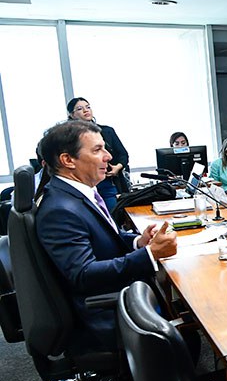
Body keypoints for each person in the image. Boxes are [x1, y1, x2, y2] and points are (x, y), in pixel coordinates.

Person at [36, 120, 177, 350]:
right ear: (68, 160)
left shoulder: (76, 193)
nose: (108, 156)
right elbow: (83, 273)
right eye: (97, 150)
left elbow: (105, 236)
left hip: (121, 293)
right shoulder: (60, 209)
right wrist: (150, 254)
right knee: (188, 335)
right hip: (105, 313)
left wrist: (138, 242)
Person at [67, 97, 129, 211]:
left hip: (107, 182)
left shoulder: (106, 131)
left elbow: (123, 155)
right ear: (72, 115)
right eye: (80, 109)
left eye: (88, 107)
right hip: (84, 184)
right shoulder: (69, 137)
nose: (86, 110)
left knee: (114, 216)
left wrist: (117, 168)